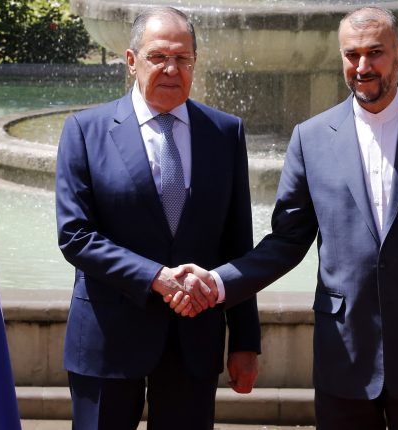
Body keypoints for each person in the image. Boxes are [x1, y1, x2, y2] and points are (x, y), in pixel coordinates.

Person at [174, 6, 398, 429]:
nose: (362, 66)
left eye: (374, 53)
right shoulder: (311, 137)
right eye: (351, 54)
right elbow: (286, 242)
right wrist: (217, 282)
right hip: (343, 352)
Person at [55, 7, 260, 429]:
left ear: (195, 63)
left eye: (183, 58)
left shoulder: (225, 133)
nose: (171, 69)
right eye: (158, 57)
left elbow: (237, 242)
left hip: (193, 340)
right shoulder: (85, 131)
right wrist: (156, 278)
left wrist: (245, 341)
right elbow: (75, 235)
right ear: (132, 61)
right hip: (108, 339)